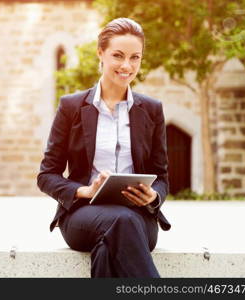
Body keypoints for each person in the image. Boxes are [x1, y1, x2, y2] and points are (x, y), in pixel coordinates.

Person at [37, 17, 171, 278]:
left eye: (135, 57)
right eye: (118, 56)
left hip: (140, 217)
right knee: (122, 221)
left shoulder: (152, 110)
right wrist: (85, 191)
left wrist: (153, 197)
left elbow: (162, 177)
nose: (126, 65)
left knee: (109, 245)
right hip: (83, 215)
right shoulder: (71, 107)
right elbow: (46, 176)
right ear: (101, 53)